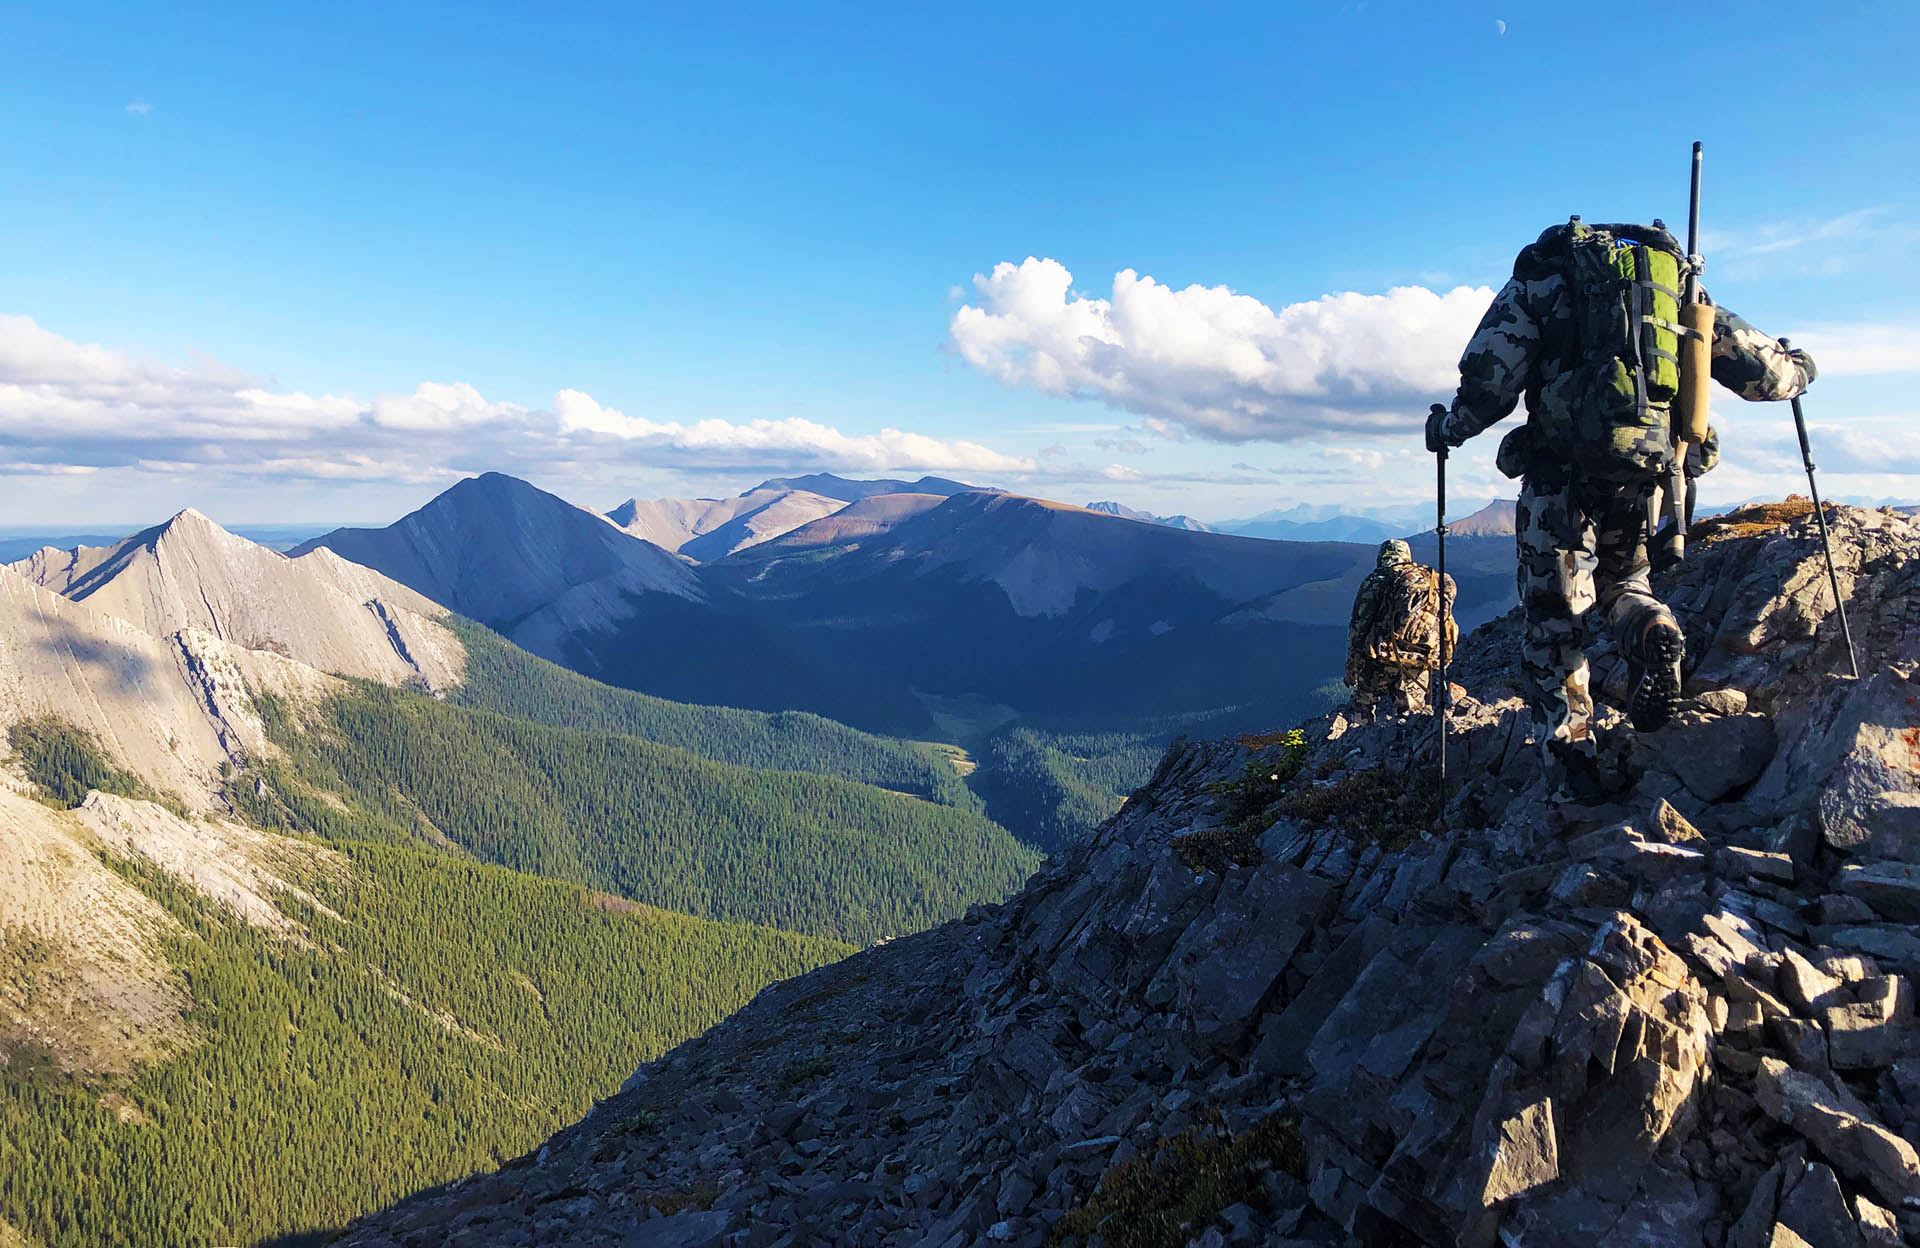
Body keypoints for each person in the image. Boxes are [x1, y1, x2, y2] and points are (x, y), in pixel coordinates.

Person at [1425, 219, 1815, 796]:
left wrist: (1447, 428)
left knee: (1556, 623)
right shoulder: (1675, 287)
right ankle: (1653, 626)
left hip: (1560, 478)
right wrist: (1801, 367)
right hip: (1648, 474)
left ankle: (1575, 765)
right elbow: (1764, 373)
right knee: (1625, 582)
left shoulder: (1541, 281)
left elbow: (1490, 382)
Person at [1345, 539, 1458, 722]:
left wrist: (1352, 664)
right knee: (1412, 714)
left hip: (1381, 657)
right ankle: (1406, 746)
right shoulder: (1431, 581)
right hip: (1420, 657)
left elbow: (1359, 625)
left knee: (1363, 703)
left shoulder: (1378, 579)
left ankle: (1360, 742)